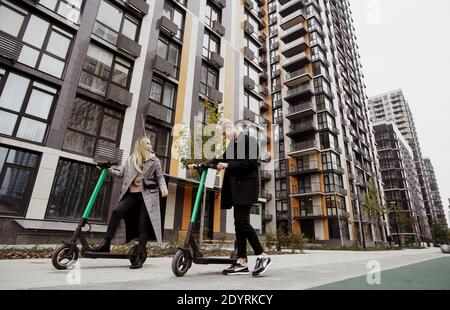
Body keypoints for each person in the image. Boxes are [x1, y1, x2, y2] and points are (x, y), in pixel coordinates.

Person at [188, 119, 272, 276]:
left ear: (231, 127)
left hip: (247, 187)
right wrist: (200, 165)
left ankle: (263, 255)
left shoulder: (249, 140)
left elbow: (251, 162)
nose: (225, 137)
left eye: (225, 133)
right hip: (237, 190)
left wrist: (228, 165)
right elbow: (219, 159)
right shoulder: (232, 146)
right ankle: (242, 262)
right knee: (239, 224)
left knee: (241, 222)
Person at [92, 136, 168, 269]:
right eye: (148, 143)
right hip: (132, 195)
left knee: (142, 225)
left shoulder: (154, 161)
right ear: (141, 145)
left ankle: (139, 256)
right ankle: (106, 243)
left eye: (150, 143)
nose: (151, 145)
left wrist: (164, 188)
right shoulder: (131, 159)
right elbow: (121, 174)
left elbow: (160, 177)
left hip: (147, 196)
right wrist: (107, 169)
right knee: (117, 211)